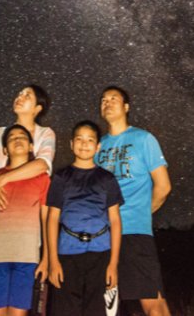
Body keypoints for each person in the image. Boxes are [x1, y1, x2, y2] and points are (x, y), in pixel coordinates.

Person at [95, 86, 172, 316]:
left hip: (134, 233)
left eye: (113, 99)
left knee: (151, 301)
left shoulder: (143, 138)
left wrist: (141, 213)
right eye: (103, 100)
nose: (107, 102)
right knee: (108, 306)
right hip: (102, 236)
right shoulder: (97, 145)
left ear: (126, 107)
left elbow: (163, 186)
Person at [46, 120, 123, 316]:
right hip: (67, 254)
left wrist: (113, 264)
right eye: (79, 139)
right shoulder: (61, 177)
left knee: (96, 310)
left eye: (90, 140)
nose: (84, 144)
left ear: (98, 147)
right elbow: (52, 218)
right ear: (71, 144)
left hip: (101, 253)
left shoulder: (107, 178)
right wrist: (53, 261)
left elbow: (115, 220)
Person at [0, 124, 50, 315]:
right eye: (12, 137)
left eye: (23, 136)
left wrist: (46, 258)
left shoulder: (42, 179)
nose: (17, 139)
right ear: (5, 149)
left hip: (27, 258)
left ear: (32, 146)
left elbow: (46, 220)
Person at [0, 85, 57, 210]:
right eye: (20, 94)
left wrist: (1, 179)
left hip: (30, 203)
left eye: (27, 95)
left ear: (37, 108)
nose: (20, 97)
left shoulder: (45, 133)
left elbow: (43, 164)